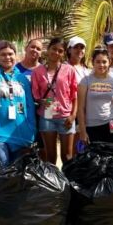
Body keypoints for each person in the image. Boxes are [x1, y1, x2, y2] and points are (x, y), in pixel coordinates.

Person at [31, 37, 79, 165]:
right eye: (54, 49)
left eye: (60, 51)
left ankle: (68, 183)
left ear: (64, 53)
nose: (56, 53)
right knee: (50, 157)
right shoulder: (37, 71)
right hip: (47, 116)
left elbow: (74, 95)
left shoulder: (69, 70)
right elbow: (35, 95)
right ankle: (53, 183)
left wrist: (73, 116)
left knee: (67, 157)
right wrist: (42, 101)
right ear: (48, 49)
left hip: (66, 117)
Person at [76, 48, 113, 146]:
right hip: (92, 125)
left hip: (112, 123)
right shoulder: (85, 81)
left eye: (104, 62)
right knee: (96, 157)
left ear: (109, 62)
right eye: (98, 62)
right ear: (93, 63)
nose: (101, 65)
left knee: (111, 154)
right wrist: (83, 131)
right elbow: (80, 108)